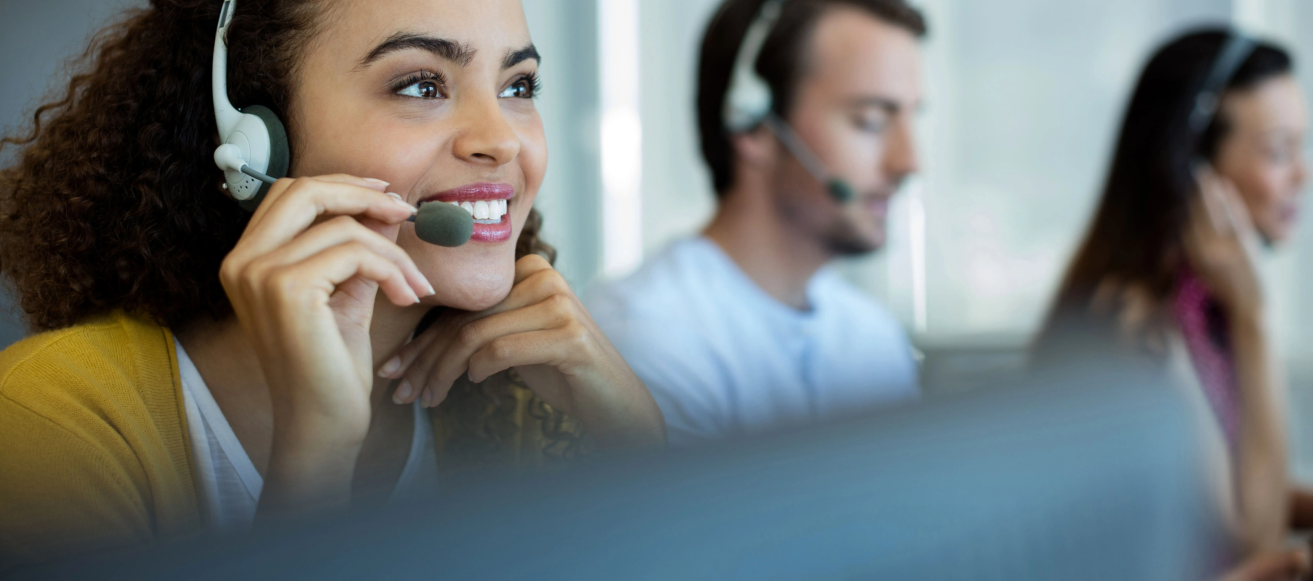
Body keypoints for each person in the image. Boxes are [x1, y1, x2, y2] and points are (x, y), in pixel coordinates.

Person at [0, 0, 665, 564]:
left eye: (518, 87)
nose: (502, 140)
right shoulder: (47, 424)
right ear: (259, 140)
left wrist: (639, 446)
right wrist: (315, 454)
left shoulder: (514, 396)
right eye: (420, 85)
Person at [1034, 29, 1311, 580]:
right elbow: (1250, 533)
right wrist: (1255, 317)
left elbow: (1232, 479)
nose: (1302, 175)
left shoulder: (1205, 300)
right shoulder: (1136, 321)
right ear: (1192, 166)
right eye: (1279, 152)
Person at [587, 0, 924, 446]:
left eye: (912, 117)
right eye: (871, 121)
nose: (909, 161)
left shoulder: (872, 336)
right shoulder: (645, 343)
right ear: (754, 127)